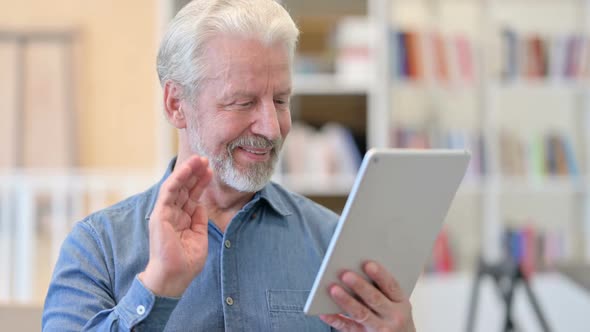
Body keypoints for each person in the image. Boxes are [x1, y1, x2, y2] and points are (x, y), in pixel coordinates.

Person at [42, 0, 416, 331]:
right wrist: (157, 286)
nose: (272, 128)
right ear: (176, 104)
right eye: (242, 102)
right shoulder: (97, 248)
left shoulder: (331, 242)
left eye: (281, 100)